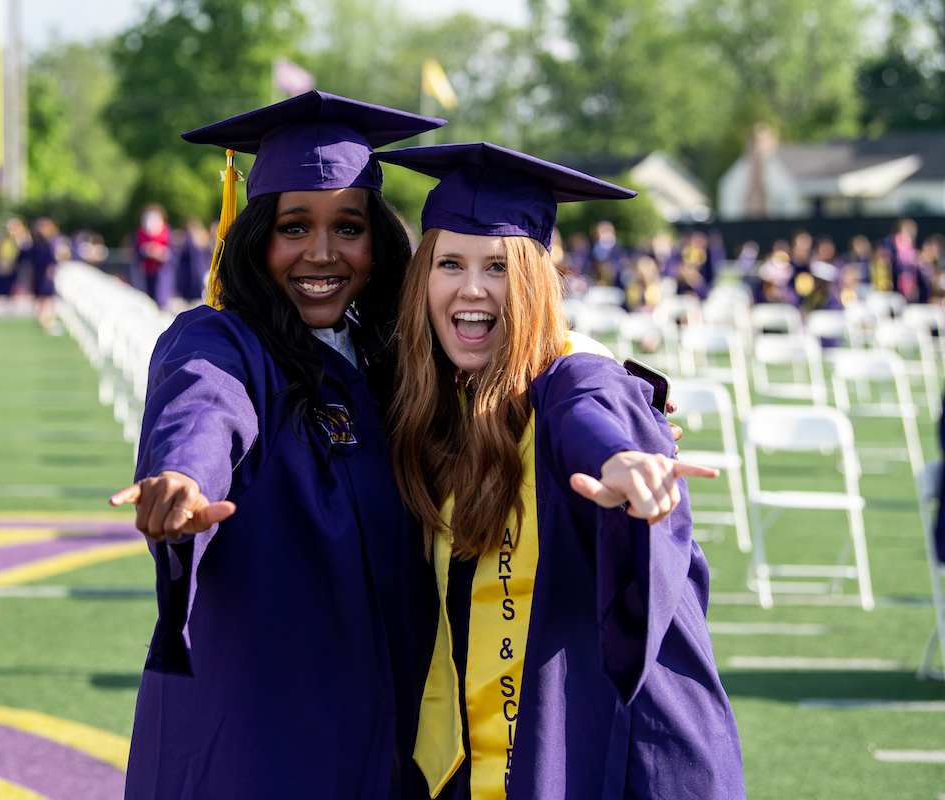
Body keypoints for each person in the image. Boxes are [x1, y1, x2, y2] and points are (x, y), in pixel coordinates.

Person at [374, 142, 745, 799]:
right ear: (421, 278)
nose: (472, 288)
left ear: (535, 282)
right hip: (512, 747)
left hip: (627, 750)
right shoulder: (438, 403)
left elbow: (590, 412)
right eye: (450, 263)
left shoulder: (576, 371)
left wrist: (621, 460)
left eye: (498, 267)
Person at [107, 91, 446, 799]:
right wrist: (183, 478)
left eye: (347, 227)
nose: (321, 253)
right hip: (263, 733)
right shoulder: (224, 341)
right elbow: (203, 404)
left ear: (377, 243)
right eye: (295, 227)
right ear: (257, 236)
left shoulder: (398, 365)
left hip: (396, 726)